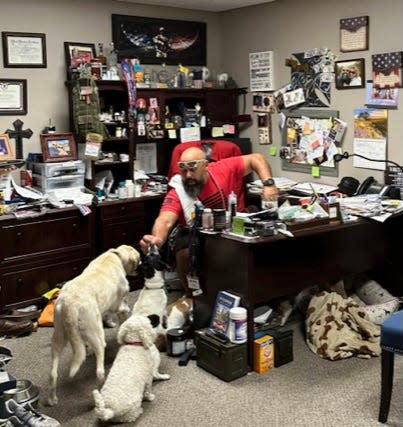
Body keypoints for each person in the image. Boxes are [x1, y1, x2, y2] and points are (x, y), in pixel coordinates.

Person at [139, 147, 278, 297]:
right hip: (200, 235)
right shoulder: (178, 191)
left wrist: (269, 184)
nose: (188, 175)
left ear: (205, 165)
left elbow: (256, 158)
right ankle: (194, 298)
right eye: (183, 171)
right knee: (184, 249)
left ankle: (267, 291)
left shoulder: (222, 169)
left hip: (235, 225)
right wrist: (157, 239)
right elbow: (165, 220)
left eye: (193, 169)